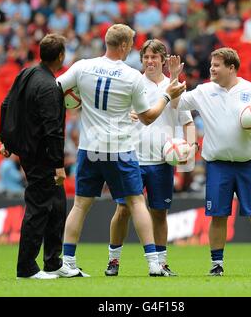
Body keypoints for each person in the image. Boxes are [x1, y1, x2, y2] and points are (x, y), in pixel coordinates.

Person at [56, 24, 186, 277]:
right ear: (125, 46)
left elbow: (55, 88)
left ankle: (67, 262)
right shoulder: (131, 77)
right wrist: (167, 96)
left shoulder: (83, 66)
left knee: (80, 205)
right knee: (137, 203)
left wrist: (74, 99)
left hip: (89, 148)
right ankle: (153, 264)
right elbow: (148, 117)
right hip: (120, 149)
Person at [172, 47, 251, 276]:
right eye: (211, 65)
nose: (211, 69)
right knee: (218, 214)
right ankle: (217, 265)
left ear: (231, 68)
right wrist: (174, 78)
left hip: (248, 162)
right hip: (218, 163)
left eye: (217, 65)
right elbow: (176, 104)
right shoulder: (204, 91)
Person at [104, 39, 196, 277]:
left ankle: (161, 263)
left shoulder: (173, 86)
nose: (150, 61)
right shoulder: (132, 82)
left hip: (162, 161)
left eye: (154, 57)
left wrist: (191, 149)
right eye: (146, 57)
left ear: (163, 60)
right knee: (122, 210)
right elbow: (114, 116)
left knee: (159, 213)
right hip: (131, 158)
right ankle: (113, 261)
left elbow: (187, 121)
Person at [0, 34, 68, 280]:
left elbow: (6, 105)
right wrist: (58, 165)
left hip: (29, 151)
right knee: (38, 208)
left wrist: (6, 140)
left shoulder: (25, 73)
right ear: (61, 56)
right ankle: (26, 268)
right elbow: (53, 130)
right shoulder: (49, 86)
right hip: (42, 157)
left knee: (58, 204)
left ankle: (53, 262)